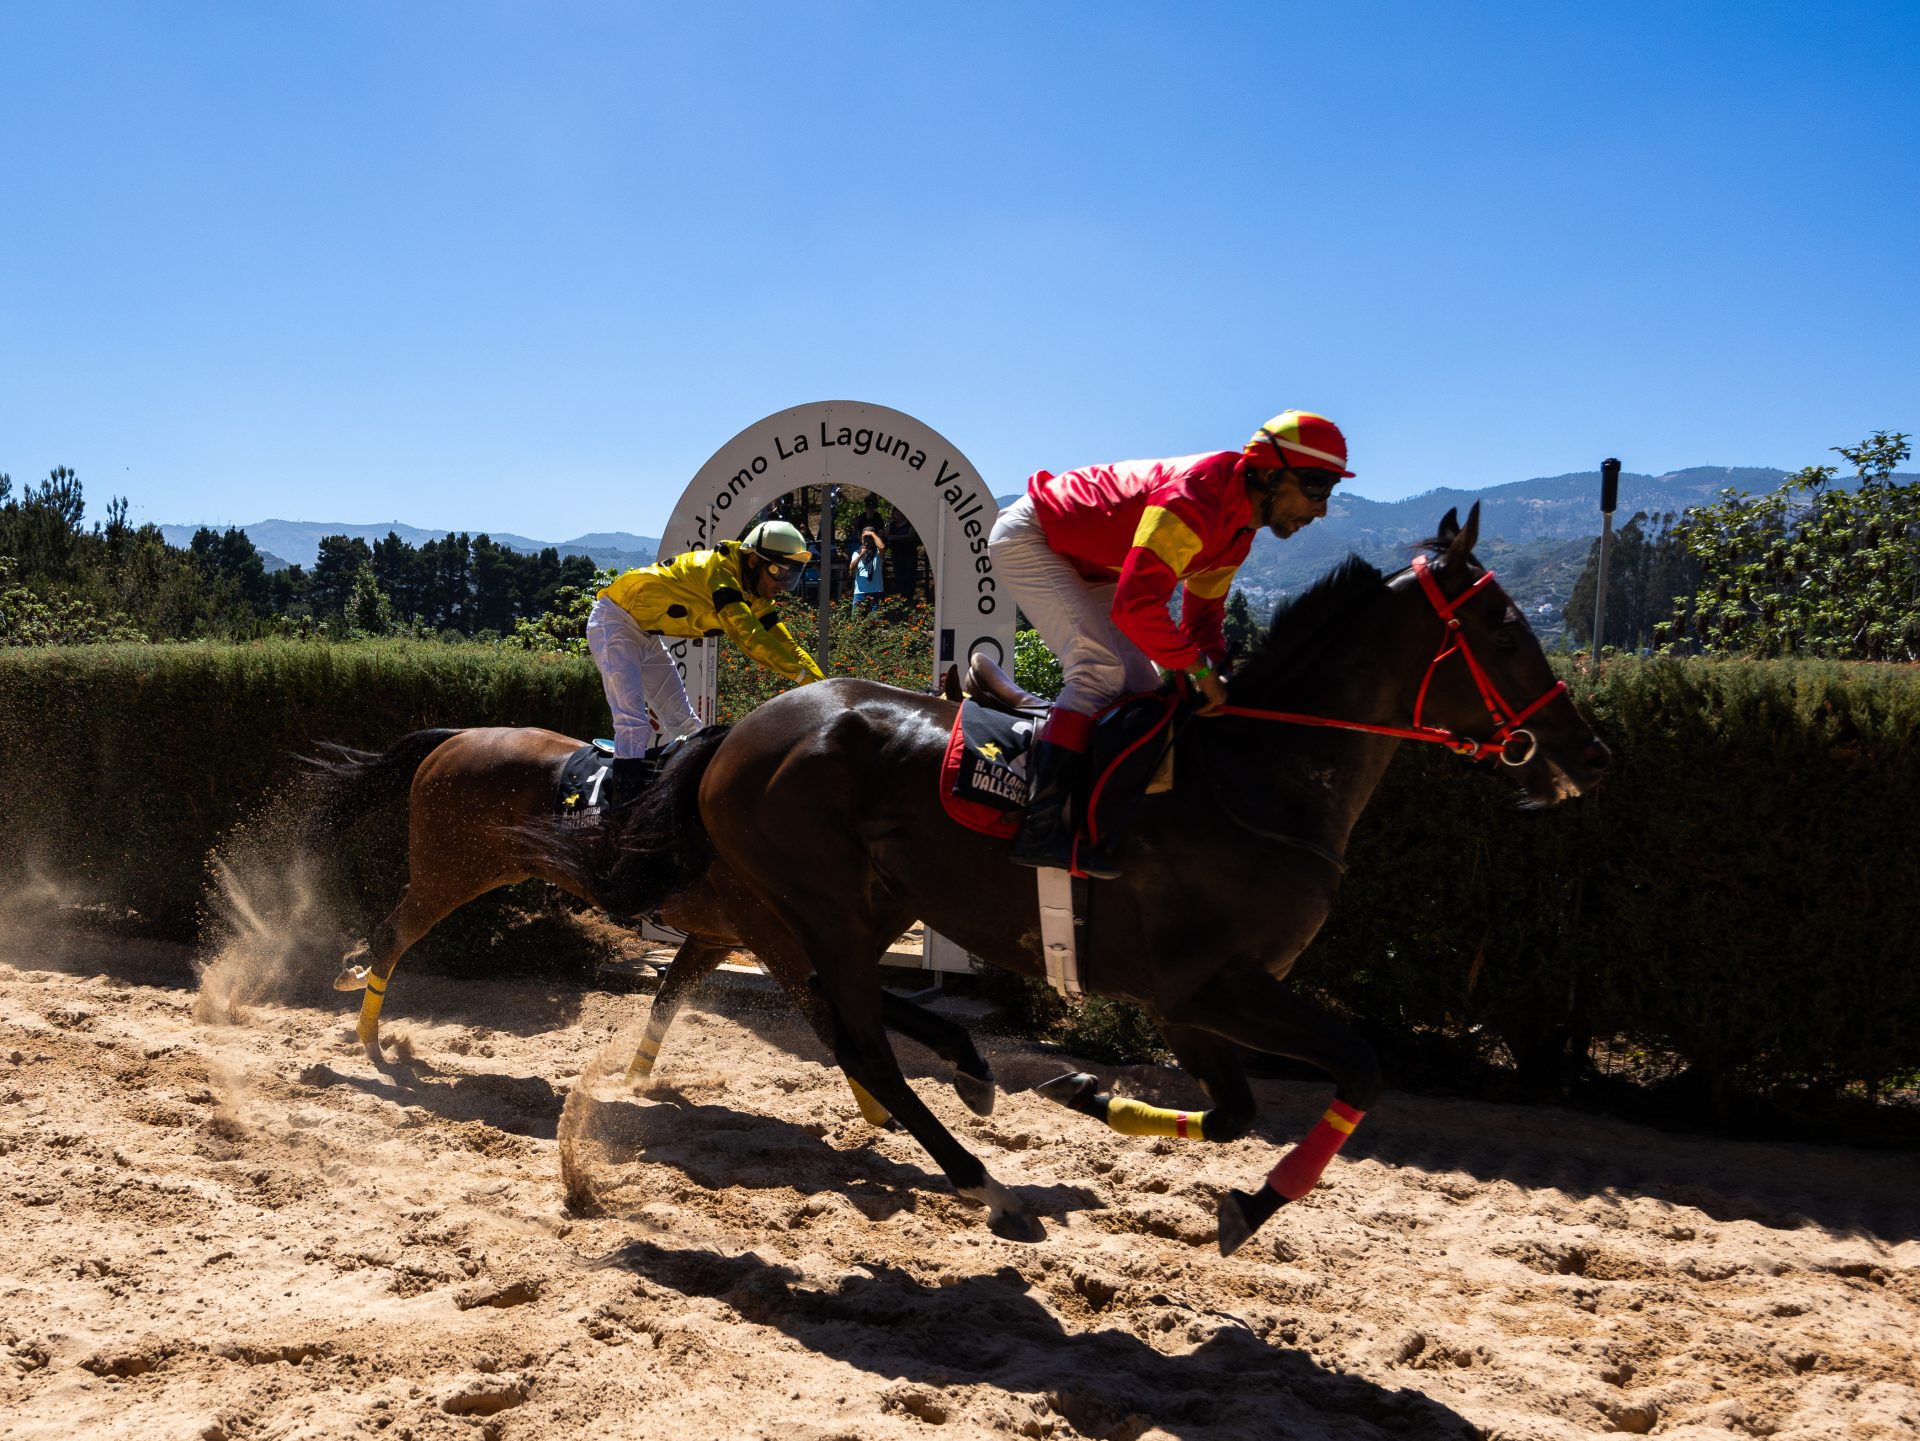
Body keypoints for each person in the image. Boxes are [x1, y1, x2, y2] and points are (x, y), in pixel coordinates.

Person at [987, 410, 1352, 876]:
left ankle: (1098, 818)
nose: (1321, 508)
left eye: (1329, 490)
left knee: (1142, 687)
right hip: (1032, 536)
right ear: (1271, 473)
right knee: (1100, 671)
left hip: (1092, 564)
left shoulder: (1237, 534)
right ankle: (1038, 831)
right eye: (1317, 486)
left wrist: (1217, 673)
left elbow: (1203, 622)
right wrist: (1198, 670)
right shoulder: (1198, 495)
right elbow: (1136, 607)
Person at [587, 519, 824, 797]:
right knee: (633, 722)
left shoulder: (755, 594)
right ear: (752, 561)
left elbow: (787, 644)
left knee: (687, 725)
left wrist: (822, 685)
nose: (783, 585)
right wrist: (801, 677)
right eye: (778, 572)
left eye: (791, 575)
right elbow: (749, 638)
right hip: (613, 620)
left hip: (644, 632)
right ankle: (621, 804)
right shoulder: (720, 573)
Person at [849, 526, 887, 617]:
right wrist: (862, 554)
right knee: (857, 622)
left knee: (877, 623)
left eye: (869, 537)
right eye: (865, 536)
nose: (867, 539)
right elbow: (851, 568)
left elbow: (882, 547)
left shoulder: (878, 553)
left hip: (876, 592)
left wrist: (873, 534)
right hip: (860, 593)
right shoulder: (856, 553)